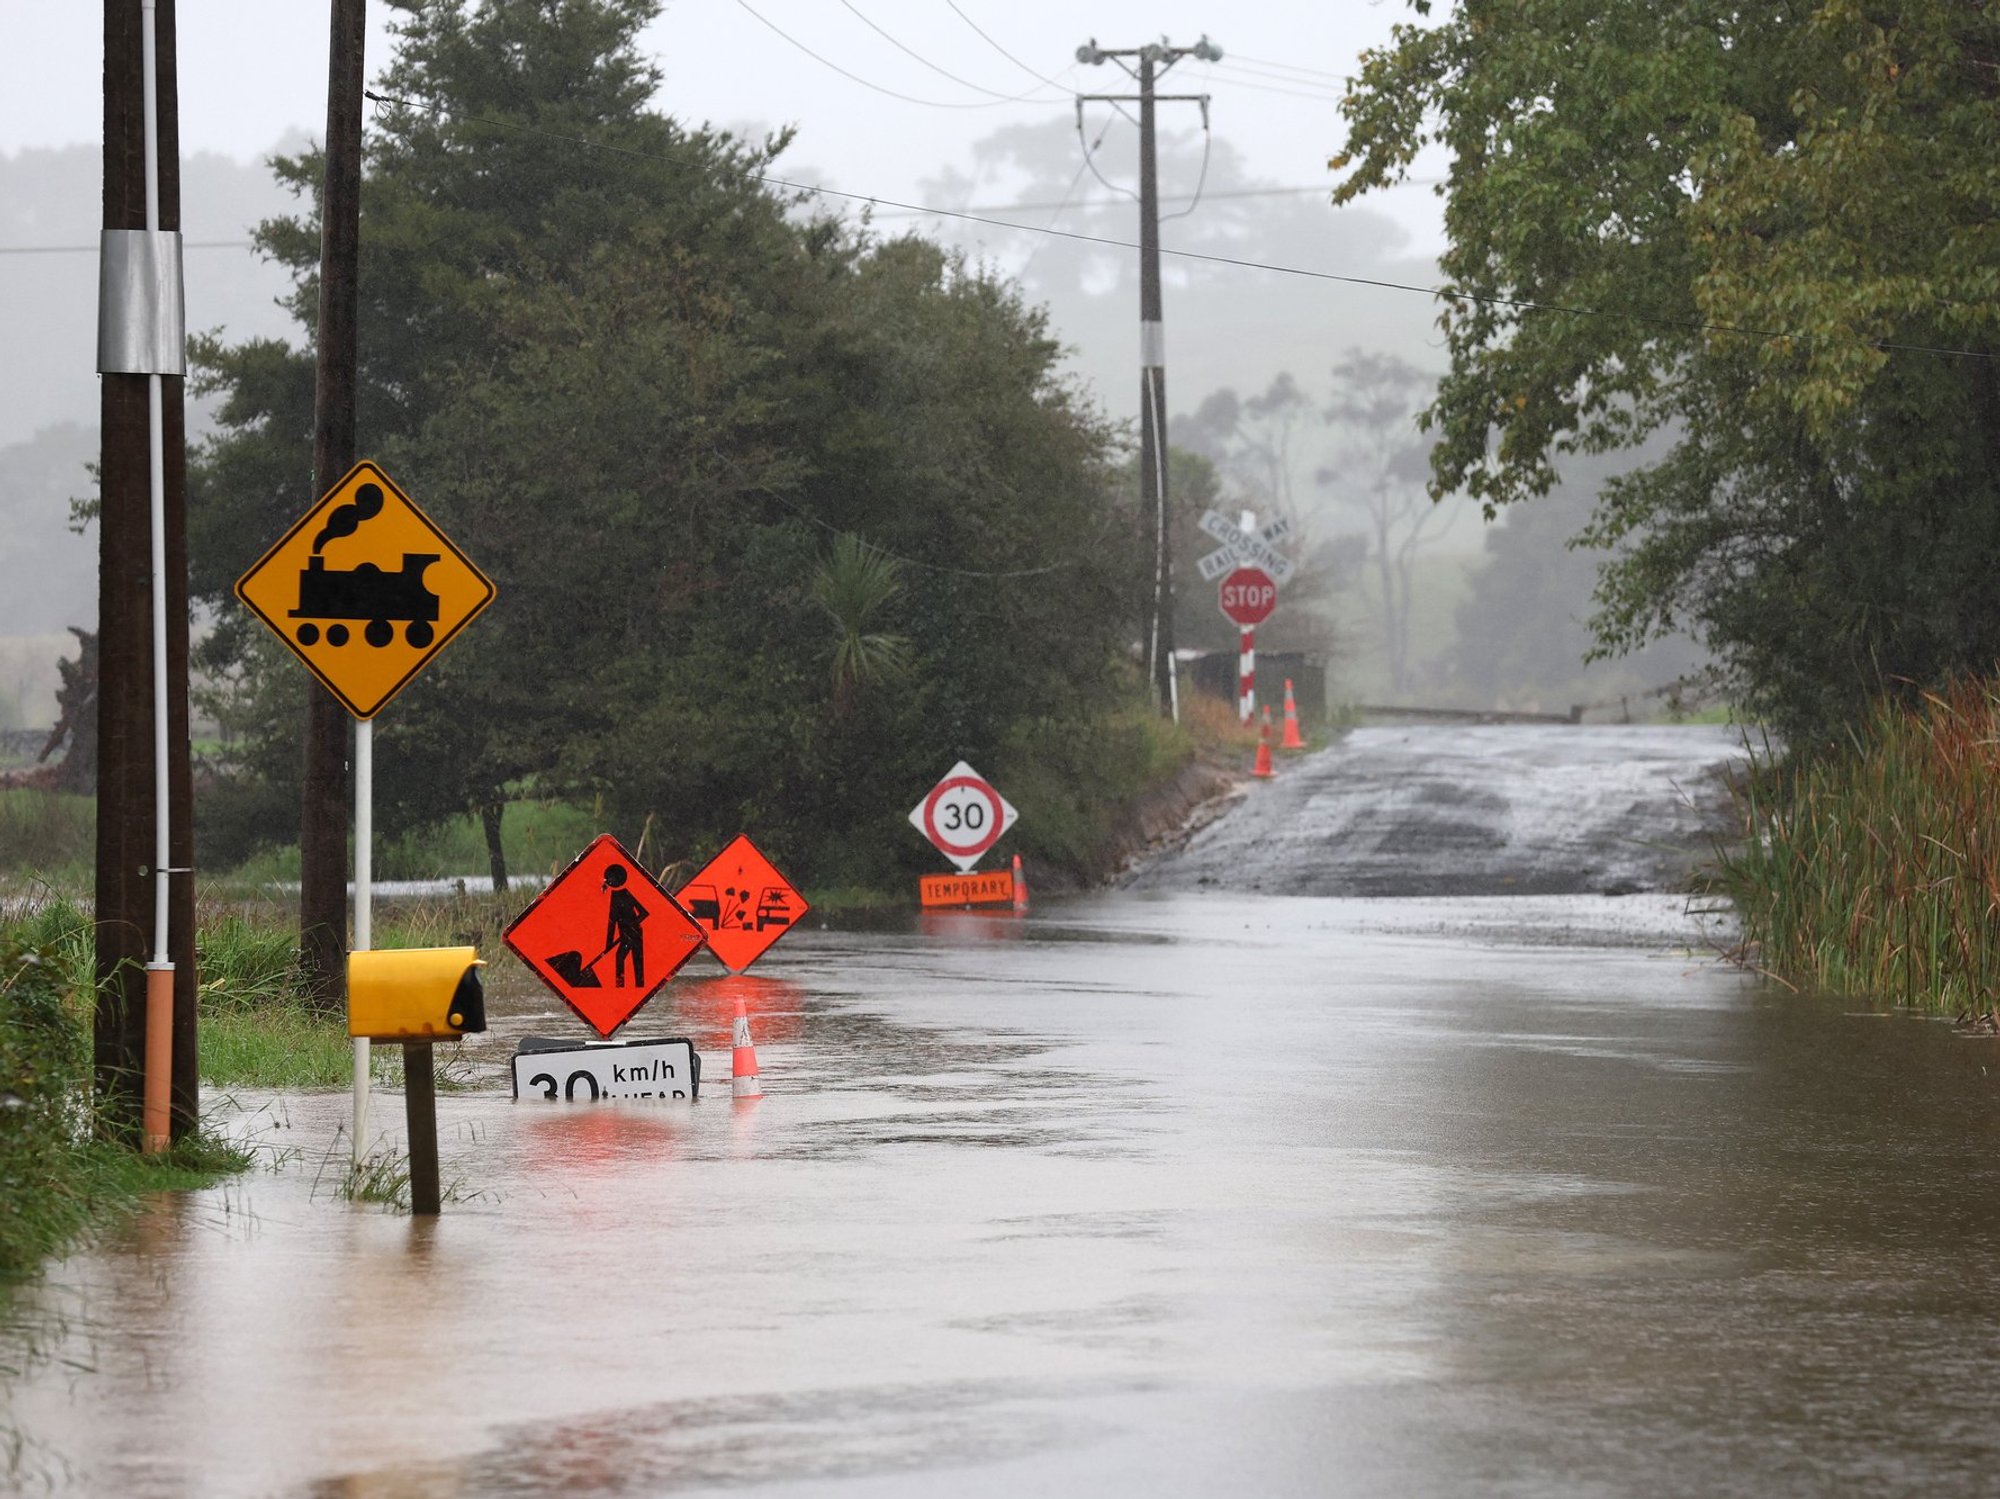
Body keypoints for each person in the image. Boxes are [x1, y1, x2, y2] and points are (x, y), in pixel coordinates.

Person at [602, 864, 648, 986]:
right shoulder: (613, 897)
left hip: (635, 934)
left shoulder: (626, 894)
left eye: (612, 879)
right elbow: (611, 923)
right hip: (625, 935)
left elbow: (644, 913)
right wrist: (608, 945)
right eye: (608, 879)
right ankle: (620, 986)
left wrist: (632, 925)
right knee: (619, 958)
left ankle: (635, 986)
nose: (609, 881)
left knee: (636, 961)